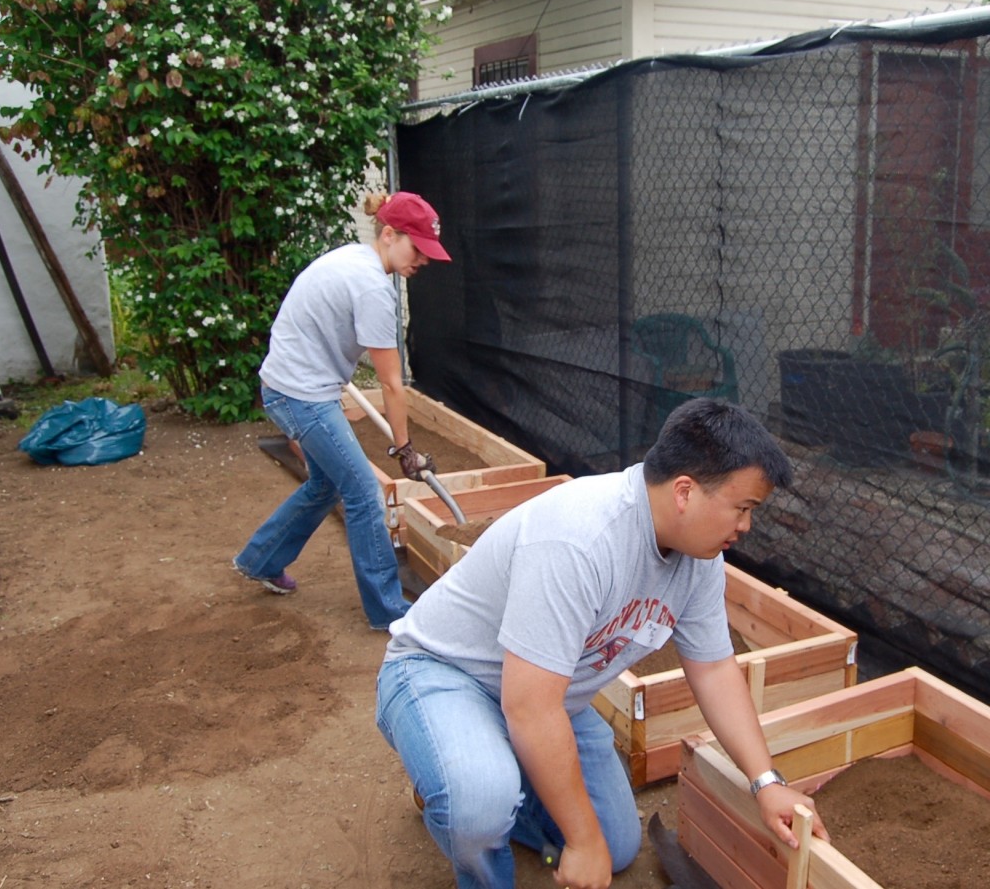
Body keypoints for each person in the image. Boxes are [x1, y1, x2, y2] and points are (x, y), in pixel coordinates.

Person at [375, 397, 831, 889]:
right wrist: (579, 839)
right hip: (444, 674)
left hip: (546, 695)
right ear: (685, 492)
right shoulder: (579, 540)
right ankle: (462, 796)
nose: (746, 526)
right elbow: (529, 709)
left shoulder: (699, 559)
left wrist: (766, 783)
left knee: (613, 844)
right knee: (481, 807)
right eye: (742, 508)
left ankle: (468, 779)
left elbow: (716, 670)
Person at [233, 191, 451, 630]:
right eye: (418, 250)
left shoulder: (356, 259)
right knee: (363, 493)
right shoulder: (372, 286)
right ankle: (388, 611)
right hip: (302, 393)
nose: (422, 262)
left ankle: (259, 559)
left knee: (325, 485)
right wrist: (404, 448)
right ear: (389, 235)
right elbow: (391, 382)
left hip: (289, 383)